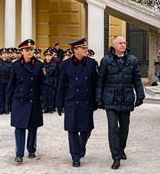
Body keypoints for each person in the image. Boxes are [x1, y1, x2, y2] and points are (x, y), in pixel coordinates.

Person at [96, 35, 145, 169]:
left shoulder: (132, 60)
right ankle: (116, 157)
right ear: (114, 46)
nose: (123, 45)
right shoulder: (105, 61)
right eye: (120, 43)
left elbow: (137, 79)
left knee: (124, 128)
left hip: (126, 97)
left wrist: (140, 95)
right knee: (113, 128)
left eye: (124, 43)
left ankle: (121, 148)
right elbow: (100, 81)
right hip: (110, 98)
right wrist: (98, 98)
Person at [56, 38, 98, 167]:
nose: (86, 50)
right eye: (83, 48)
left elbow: (95, 84)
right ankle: (75, 156)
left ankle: (81, 146)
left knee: (86, 129)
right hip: (71, 101)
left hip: (86, 101)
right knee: (72, 130)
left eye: (86, 48)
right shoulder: (65, 65)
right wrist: (59, 103)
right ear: (75, 50)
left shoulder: (92, 64)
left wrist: (97, 100)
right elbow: (61, 85)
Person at [6, 39, 45, 163]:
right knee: (19, 128)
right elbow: (11, 84)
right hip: (19, 100)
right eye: (26, 50)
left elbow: (44, 84)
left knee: (33, 127)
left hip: (34, 100)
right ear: (22, 51)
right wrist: (8, 102)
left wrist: (44, 99)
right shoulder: (16, 65)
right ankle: (19, 153)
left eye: (31, 50)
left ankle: (31, 149)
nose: (29, 52)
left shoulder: (39, 65)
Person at [0, 48, 12, 114]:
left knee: (7, 96)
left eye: (5, 54)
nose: (4, 55)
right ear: (1, 55)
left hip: (7, 81)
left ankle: (6, 109)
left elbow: (11, 74)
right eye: (3, 54)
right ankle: (1, 109)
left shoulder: (10, 63)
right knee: (1, 96)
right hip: (0, 82)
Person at [42, 48, 58, 113]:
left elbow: (56, 75)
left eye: (49, 56)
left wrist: (55, 84)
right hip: (44, 82)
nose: (48, 57)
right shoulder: (42, 64)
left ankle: (51, 108)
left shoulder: (54, 65)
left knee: (51, 96)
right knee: (44, 96)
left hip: (51, 82)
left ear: (51, 56)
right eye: (47, 55)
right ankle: (45, 108)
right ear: (45, 56)